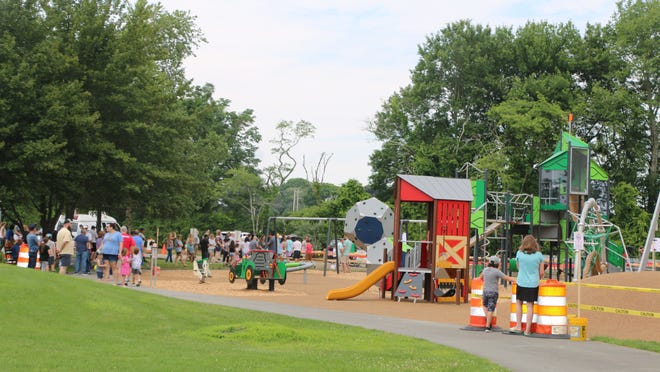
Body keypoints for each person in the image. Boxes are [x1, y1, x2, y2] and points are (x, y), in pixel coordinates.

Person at [512, 235, 545, 336]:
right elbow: (542, 272)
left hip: (521, 281)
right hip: (533, 283)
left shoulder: (519, 254)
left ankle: (518, 326)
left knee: (519, 303)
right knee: (530, 305)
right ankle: (527, 329)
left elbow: (518, 267)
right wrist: (537, 278)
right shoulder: (539, 255)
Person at [477, 256, 515, 332]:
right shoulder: (497, 271)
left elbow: (480, 278)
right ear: (497, 264)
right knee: (491, 309)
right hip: (493, 292)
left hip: (485, 291)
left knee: (485, 306)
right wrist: (515, 281)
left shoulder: (485, 270)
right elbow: (506, 277)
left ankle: (488, 320)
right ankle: (488, 326)